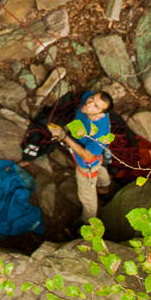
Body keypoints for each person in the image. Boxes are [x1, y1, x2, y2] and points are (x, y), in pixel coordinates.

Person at [48, 90, 113, 220]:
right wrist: (67, 129)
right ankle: (104, 186)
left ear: (101, 114)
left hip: (87, 164)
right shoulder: (87, 99)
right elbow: (79, 118)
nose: (89, 104)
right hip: (94, 155)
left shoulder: (100, 133)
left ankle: (88, 222)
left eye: (96, 106)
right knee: (99, 165)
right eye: (92, 98)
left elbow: (87, 157)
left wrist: (63, 136)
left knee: (87, 197)